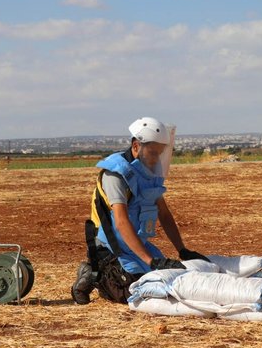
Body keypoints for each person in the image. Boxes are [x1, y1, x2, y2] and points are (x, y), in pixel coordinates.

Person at [71, 117, 209, 304]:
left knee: (169, 280)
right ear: (136, 147)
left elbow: (164, 214)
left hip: (137, 245)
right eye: (153, 153)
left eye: (159, 154)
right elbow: (120, 222)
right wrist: (150, 261)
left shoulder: (149, 174)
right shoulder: (116, 175)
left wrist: (182, 250)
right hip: (110, 247)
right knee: (137, 291)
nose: (156, 160)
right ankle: (94, 275)